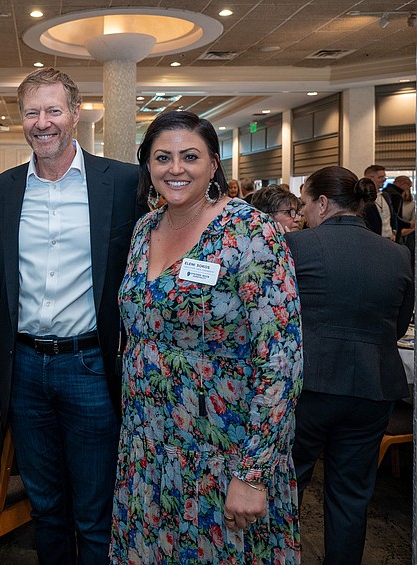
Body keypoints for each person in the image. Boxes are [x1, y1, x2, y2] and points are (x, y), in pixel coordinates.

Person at [112, 110, 302, 564]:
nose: (175, 168)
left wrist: (252, 474)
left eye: (190, 156)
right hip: (147, 444)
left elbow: (282, 357)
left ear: (214, 164)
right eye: (162, 158)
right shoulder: (145, 230)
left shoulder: (250, 232)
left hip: (223, 447)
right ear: (148, 167)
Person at [0, 67, 144, 565]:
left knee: (95, 511)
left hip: (91, 367)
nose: (43, 122)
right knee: (45, 506)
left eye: (54, 110)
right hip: (25, 367)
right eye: (32, 112)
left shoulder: (122, 183)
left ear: (76, 114)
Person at [287, 166, 413, 565]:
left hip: (309, 386)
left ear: (322, 202)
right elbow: (398, 324)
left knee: (289, 485)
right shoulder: (397, 254)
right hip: (372, 388)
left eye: (305, 204)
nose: (303, 213)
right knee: (351, 495)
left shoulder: (296, 246)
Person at [363, 164, 395, 239]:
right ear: (370, 179)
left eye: (384, 177)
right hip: (373, 239)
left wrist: (394, 231)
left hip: (390, 239)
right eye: (380, 177)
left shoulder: (386, 196)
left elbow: (393, 216)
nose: (384, 180)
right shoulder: (363, 198)